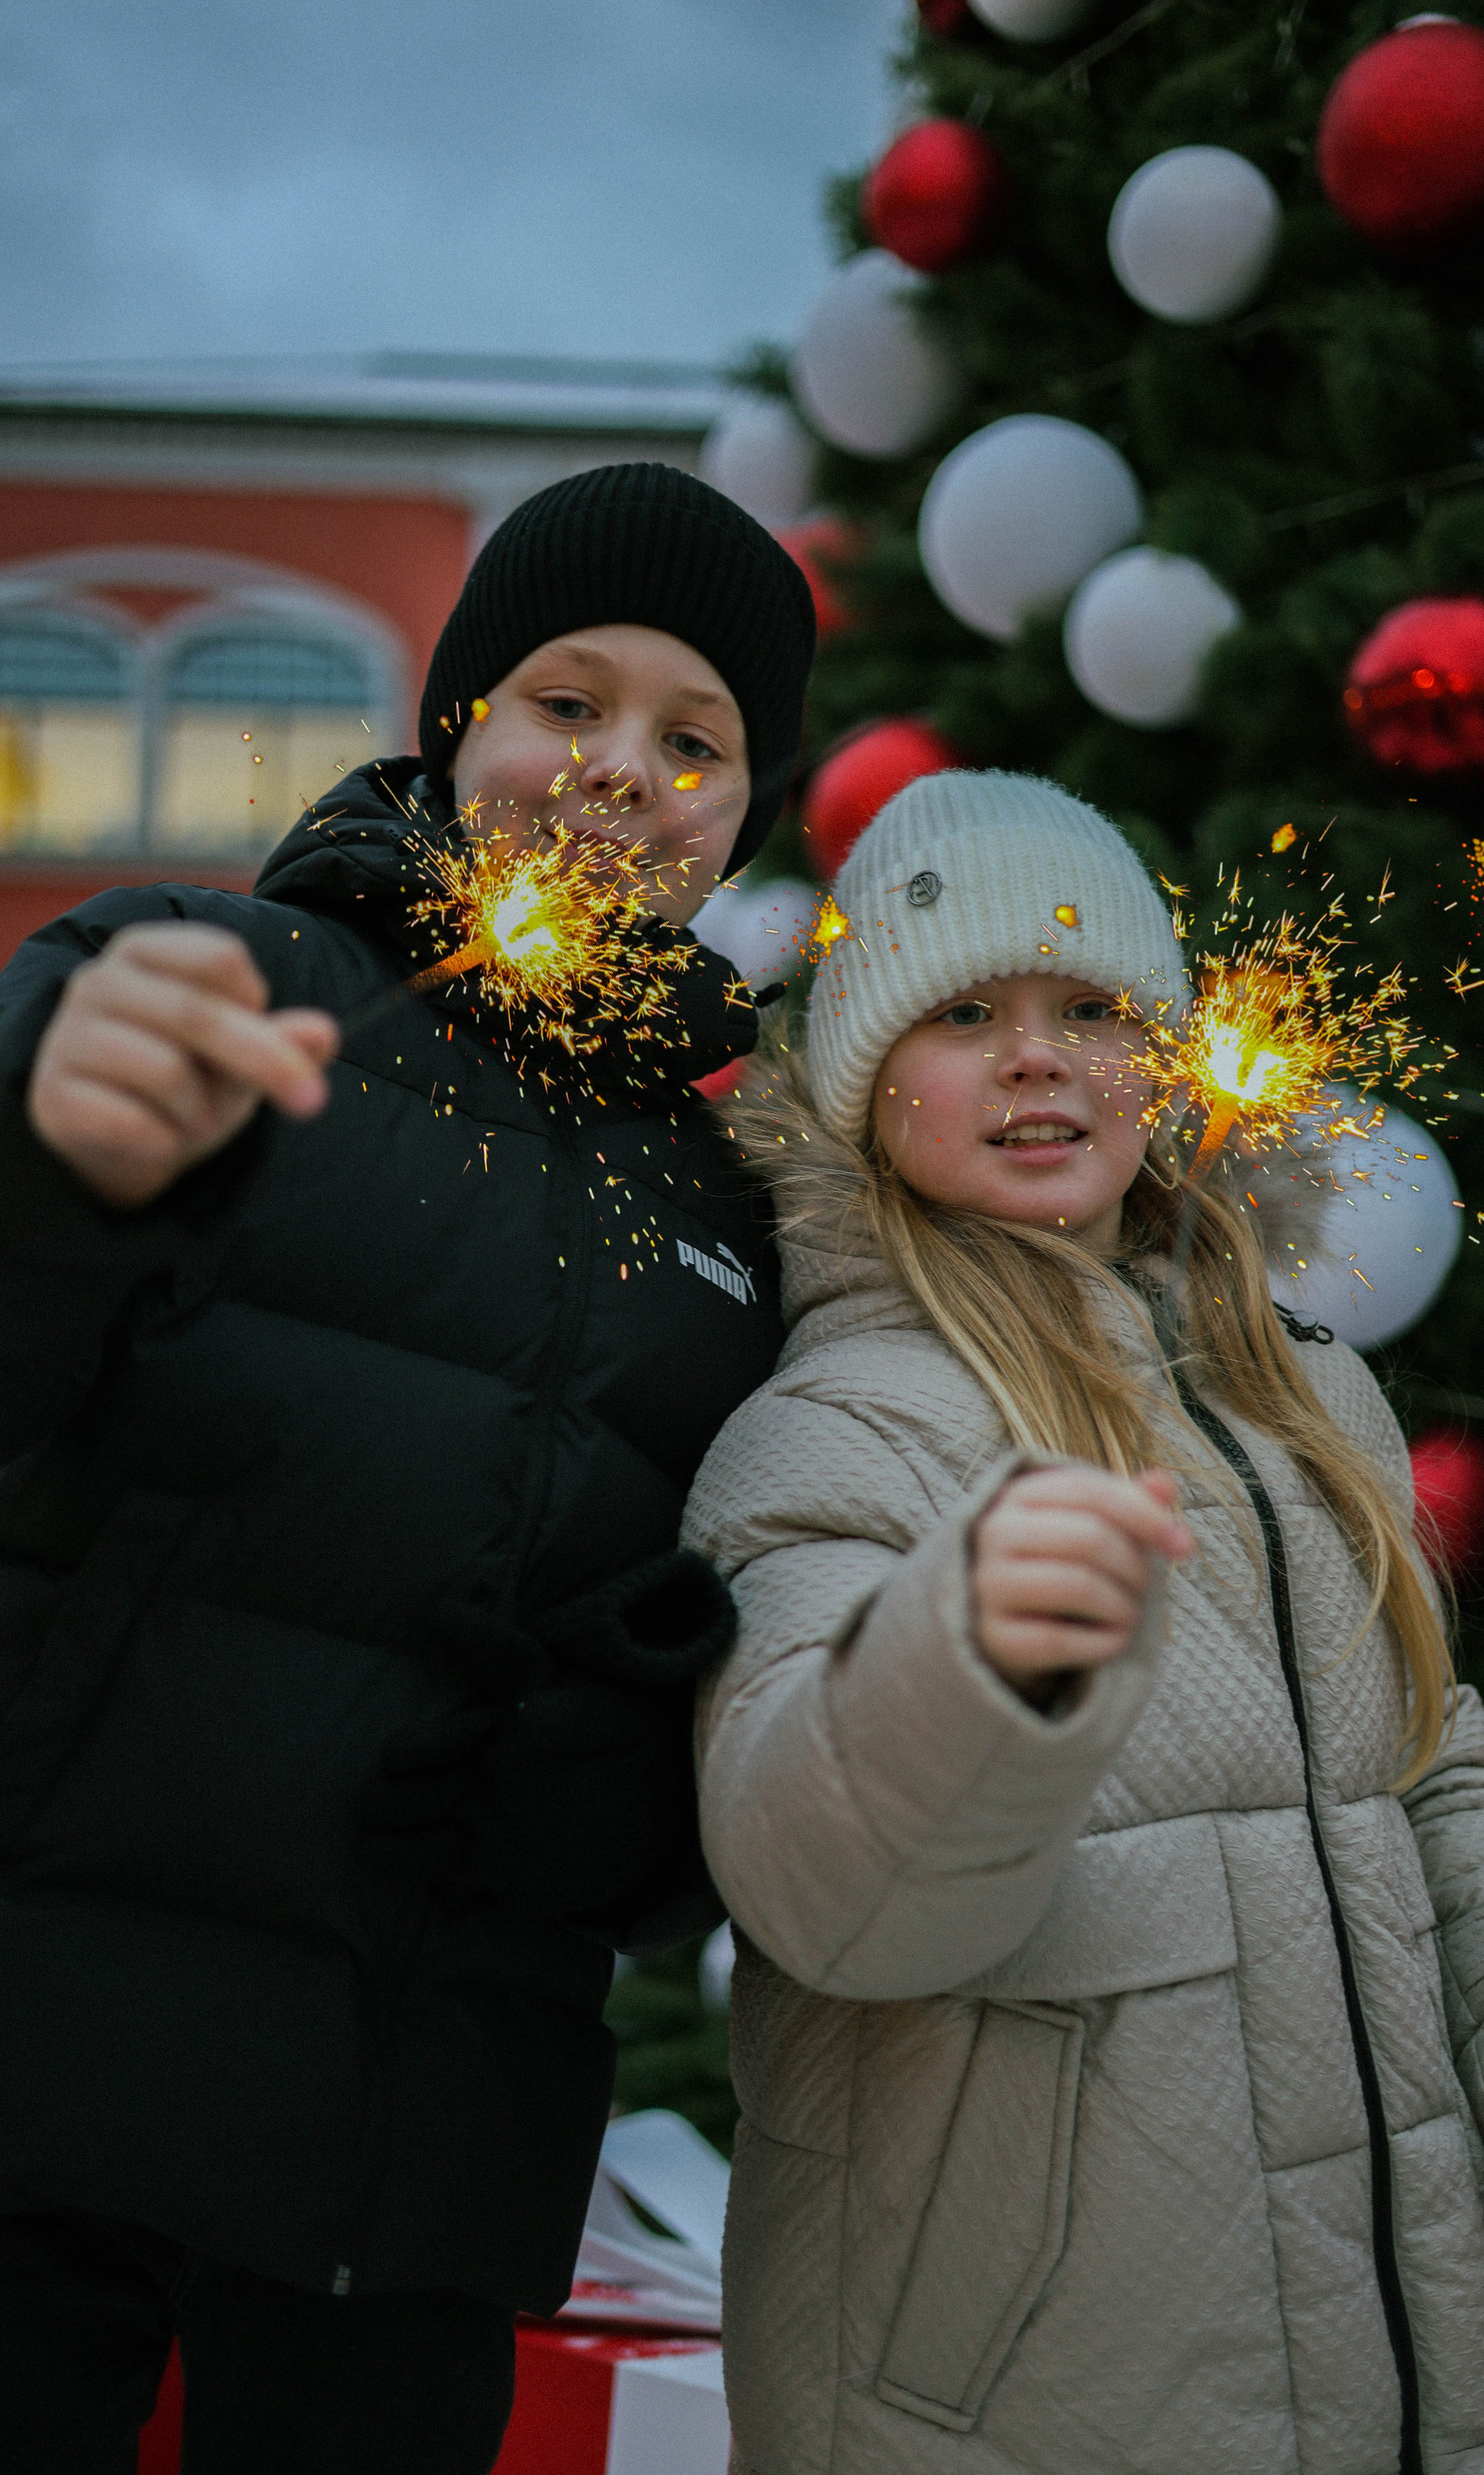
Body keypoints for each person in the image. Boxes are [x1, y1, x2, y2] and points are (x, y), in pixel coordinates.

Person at [684, 768, 1484, 2475]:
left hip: (1420, 2354)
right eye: (967, 1011)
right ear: (865, 1081)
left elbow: (1429, 1757)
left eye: (1089, 1006)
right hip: (1036, 2394)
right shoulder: (830, 1434)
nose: (1040, 1053)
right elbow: (821, 1880)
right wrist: (958, 1665)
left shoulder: (1303, 1388)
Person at [0, 461, 814, 2474]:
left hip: (414, 2156)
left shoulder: (741, 1216)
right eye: (566, 699)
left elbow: (657, 1817)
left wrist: (635, 1709)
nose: (621, 769)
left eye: (694, 738)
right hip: (43, 2069)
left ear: (742, 817)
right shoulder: (196, 981)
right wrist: (51, 1182)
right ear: (458, 720)